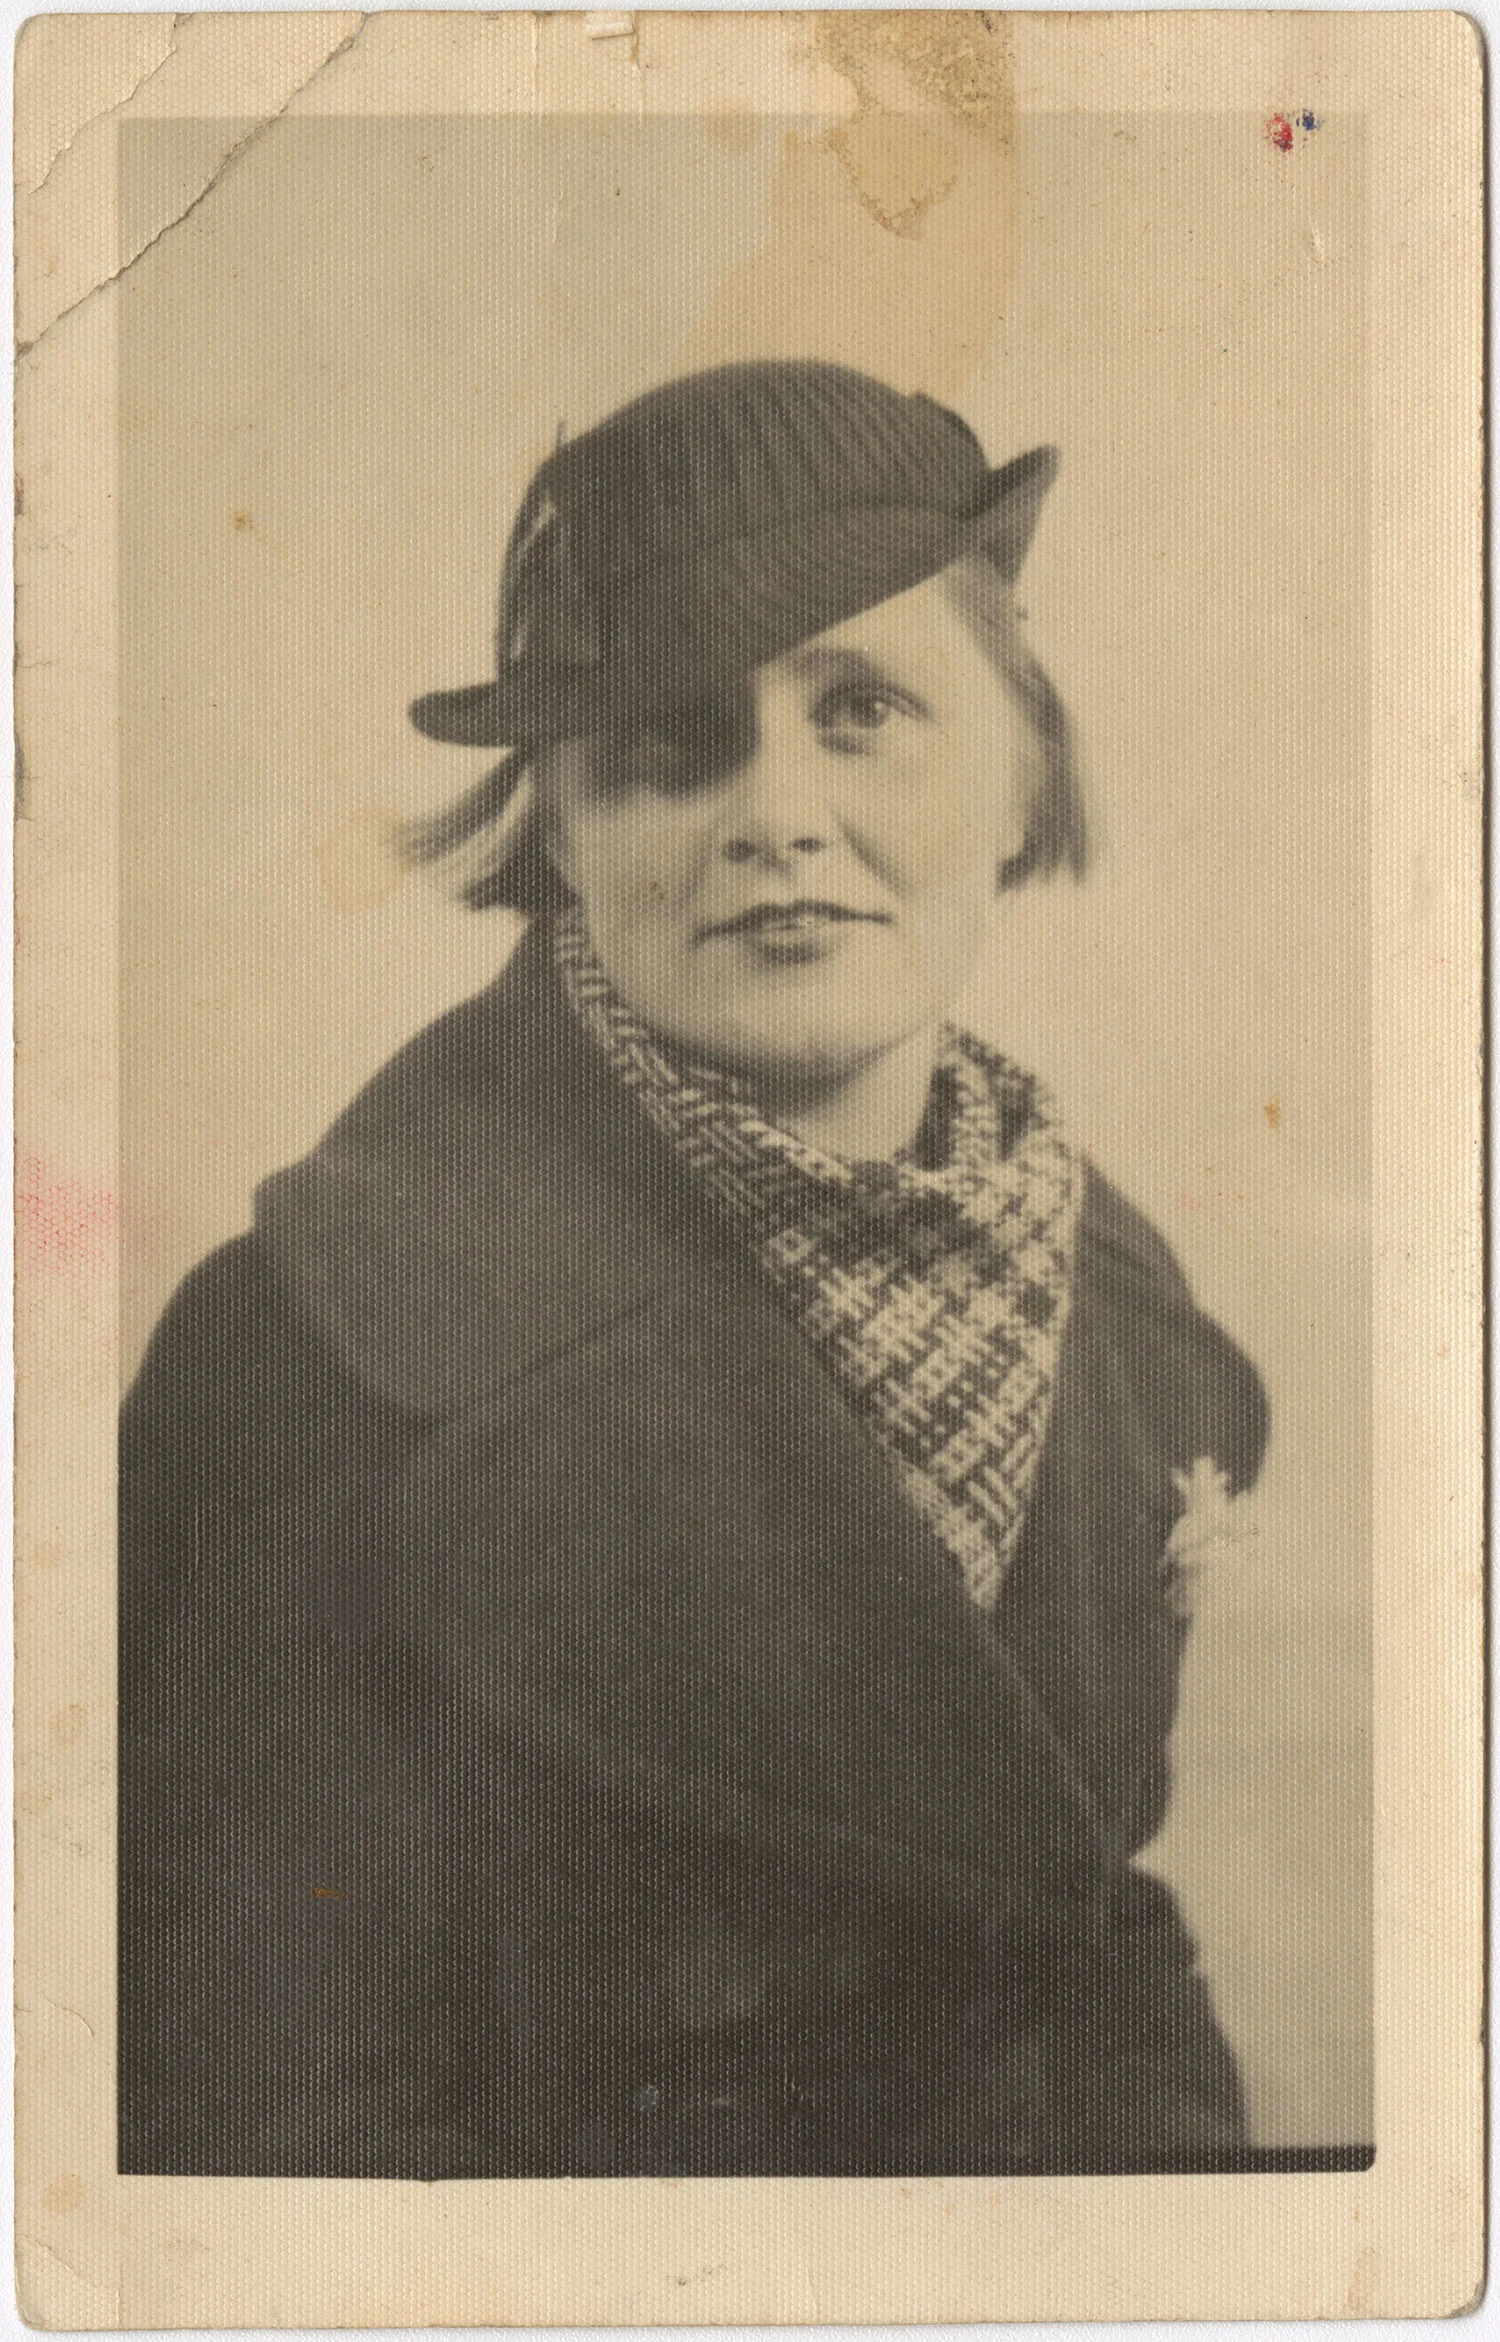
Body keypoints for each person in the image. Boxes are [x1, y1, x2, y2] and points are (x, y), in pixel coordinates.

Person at [118, 360, 1269, 2179]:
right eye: (671, 733)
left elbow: (1087, 1930)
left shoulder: (1109, 1297)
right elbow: (260, 2133)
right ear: (559, 830)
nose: (777, 813)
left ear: (1020, 768)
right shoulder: (313, 1349)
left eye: (865, 707)